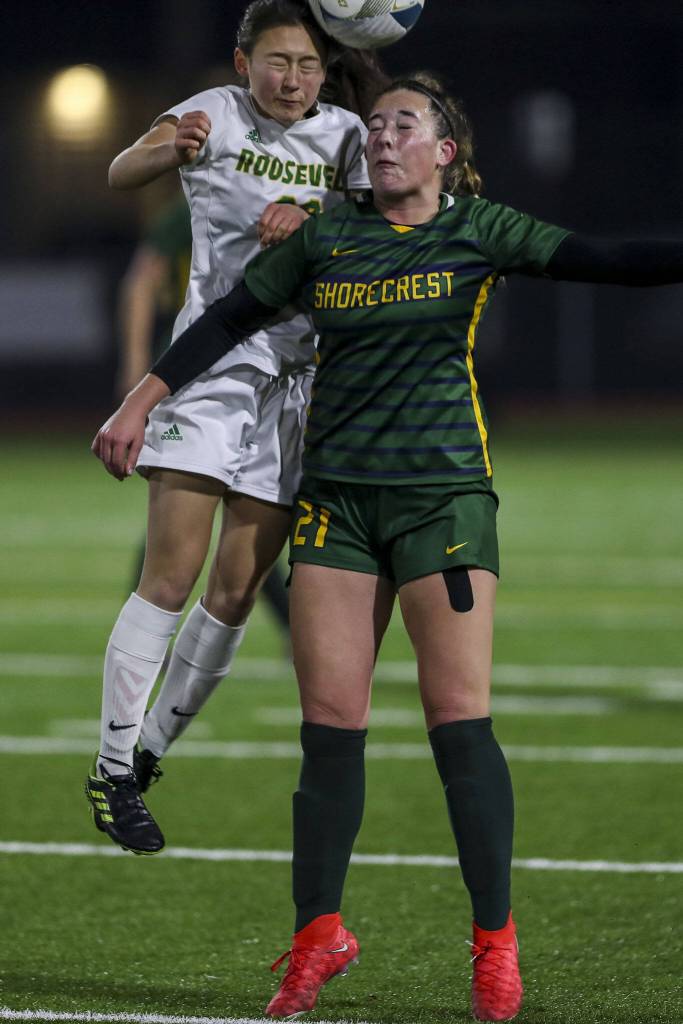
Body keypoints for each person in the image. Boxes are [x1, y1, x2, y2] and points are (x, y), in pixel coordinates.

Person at [91, 72, 683, 1022]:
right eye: (372, 125)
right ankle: (314, 941)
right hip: (337, 506)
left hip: (441, 501)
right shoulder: (326, 234)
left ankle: (494, 948)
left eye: (402, 124)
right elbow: (224, 323)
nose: (381, 136)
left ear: (445, 151)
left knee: (459, 727)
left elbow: (606, 257)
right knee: (328, 735)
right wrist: (141, 400)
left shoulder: (477, 228)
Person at [85, 0, 389, 858]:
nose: (291, 80)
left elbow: (379, 231)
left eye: (306, 65)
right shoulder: (213, 112)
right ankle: (109, 765)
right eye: (276, 62)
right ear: (242, 61)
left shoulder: (344, 136)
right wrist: (162, 148)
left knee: (234, 592)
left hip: (299, 388)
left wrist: (319, 222)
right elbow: (118, 171)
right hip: (209, 375)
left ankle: (145, 759)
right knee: (171, 577)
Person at [117, 193, 292, 643]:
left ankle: (140, 633)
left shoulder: (275, 205)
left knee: (240, 514)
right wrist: (136, 368)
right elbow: (142, 281)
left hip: (251, 373)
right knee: (207, 512)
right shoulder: (195, 211)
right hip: (192, 373)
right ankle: (141, 636)